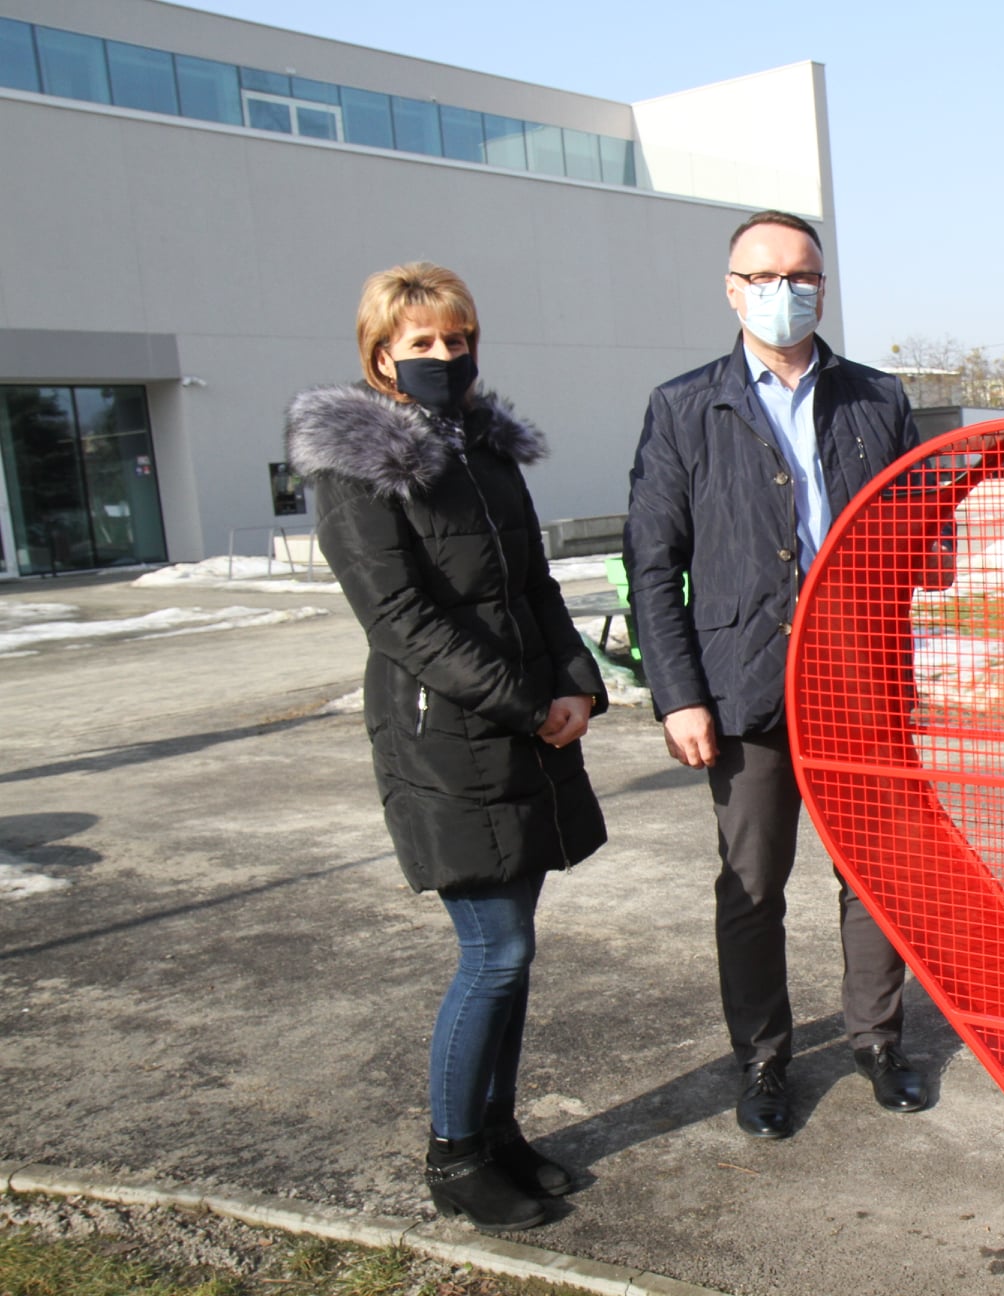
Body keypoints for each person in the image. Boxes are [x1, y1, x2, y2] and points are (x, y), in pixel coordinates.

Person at [286, 263, 608, 1231]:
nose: (443, 356)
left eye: (457, 339)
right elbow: (397, 616)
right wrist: (523, 701)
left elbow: (535, 582)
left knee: (517, 948)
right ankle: (453, 1154)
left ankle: (498, 1131)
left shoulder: (484, 448)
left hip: (526, 727)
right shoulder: (357, 463)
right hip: (445, 736)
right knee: (493, 951)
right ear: (380, 352)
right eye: (421, 342)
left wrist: (575, 682)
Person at [623, 210, 927, 1139]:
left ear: (823, 288)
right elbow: (652, 561)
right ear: (731, 289)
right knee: (752, 885)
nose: (781, 291)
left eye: (799, 275)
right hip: (742, 686)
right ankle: (761, 1058)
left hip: (859, 684)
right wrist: (678, 694)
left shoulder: (876, 398)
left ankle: (877, 1037)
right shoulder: (686, 406)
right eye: (761, 276)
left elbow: (918, 538)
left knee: (877, 877)